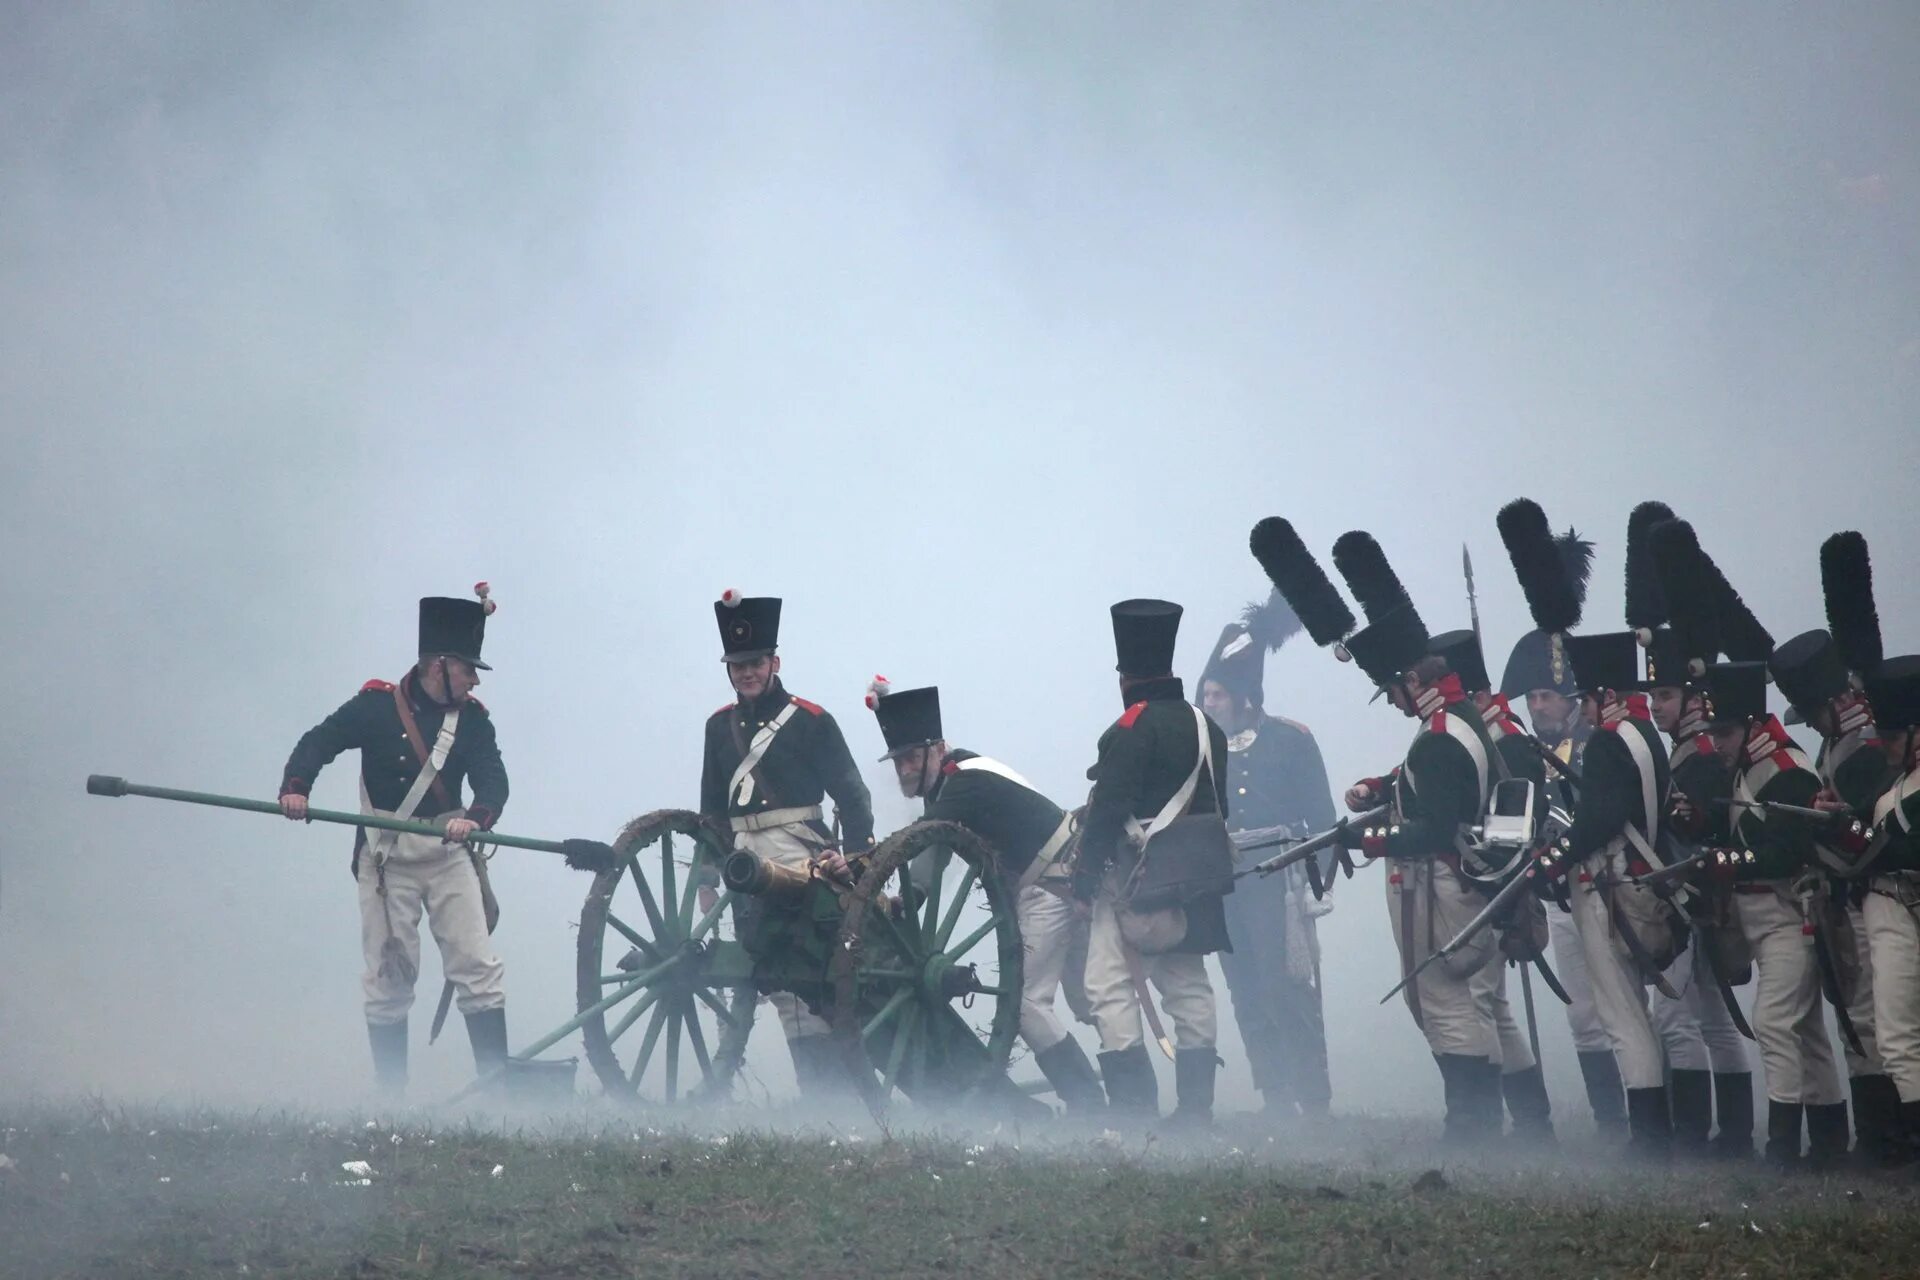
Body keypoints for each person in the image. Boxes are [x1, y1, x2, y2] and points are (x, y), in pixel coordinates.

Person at [279, 589, 510, 1094]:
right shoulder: (375, 706)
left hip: (450, 857)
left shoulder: (472, 720)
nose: (473, 680)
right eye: (468, 669)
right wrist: (297, 789)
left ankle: (498, 1093)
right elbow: (319, 742)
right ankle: (391, 1099)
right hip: (385, 862)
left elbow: (494, 781)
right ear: (440, 665)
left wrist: (475, 819)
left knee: (477, 968)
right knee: (388, 980)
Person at [866, 679, 1106, 1115]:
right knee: (1093, 1001)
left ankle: (1091, 1105)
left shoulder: (962, 784)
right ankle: (1118, 1104)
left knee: (1028, 1004)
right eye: (899, 760)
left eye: (912, 757)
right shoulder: (952, 783)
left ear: (937, 749)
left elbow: (923, 843)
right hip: (1055, 882)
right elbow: (932, 848)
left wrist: (879, 880)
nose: (903, 769)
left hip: (1051, 887)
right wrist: (902, 897)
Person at [699, 590, 875, 1094]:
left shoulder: (810, 720)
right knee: (769, 974)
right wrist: (708, 878)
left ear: (774, 662)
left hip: (800, 852)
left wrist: (857, 862)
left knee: (809, 967)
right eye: (737, 665)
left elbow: (853, 795)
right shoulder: (717, 727)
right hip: (742, 857)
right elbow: (711, 809)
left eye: (754, 662)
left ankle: (834, 1093)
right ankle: (818, 1094)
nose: (746, 673)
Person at [1072, 599, 1230, 1128]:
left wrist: (1083, 879)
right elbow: (1219, 805)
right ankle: (1196, 1112)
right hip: (1199, 876)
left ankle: (1136, 1112)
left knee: (1107, 986)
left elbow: (1108, 812)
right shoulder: (1208, 726)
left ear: (1126, 676)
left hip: (1134, 882)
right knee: (1189, 987)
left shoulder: (1130, 727)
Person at [1627, 500, 1753, 1158]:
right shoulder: (1686, 748)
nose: (1657, 708)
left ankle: (1703, 1138)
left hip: (1697, 898)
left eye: (1666, 698)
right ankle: (1725, 1136)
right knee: (1708, 1019)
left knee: (1682, 1019)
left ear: (1692, 698)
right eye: (1652, 700)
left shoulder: (1699, 753)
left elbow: (1699, 826)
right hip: (1695, 896)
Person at [1195, 593, 1339, 1118]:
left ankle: (1314, 1098)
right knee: (1247, 995)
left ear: (1242, 696)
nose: (1208, 702)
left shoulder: (1290, 740)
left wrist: (1316, 888)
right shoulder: (1205, 749)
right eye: (1206, 693)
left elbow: (1323, 818)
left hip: (1280, 885)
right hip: (1227, 884)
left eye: (1216, 694)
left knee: (1291, 994)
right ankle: (1275, 1096)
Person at [1500, 528, 1622, 1137]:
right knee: (1582, 1017)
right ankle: (1609, 1119)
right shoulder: (1527, 750)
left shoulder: (1599, 743)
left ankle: (1650, 1115)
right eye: (1532, 696)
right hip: (1559, 894)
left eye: (1546, 694)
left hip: (1608, 886)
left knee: (1626, 1009)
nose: (1536, 706)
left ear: (1572, 695)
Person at [1427, 627, 1555, 1142]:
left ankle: (1487, 1124)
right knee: (1492, 1005)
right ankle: (1531, 1121)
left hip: (1492, 883)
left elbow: (1515, 820)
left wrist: (1495, 877)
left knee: (1479, 1002)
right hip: (1485, 880)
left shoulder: (1504, 738)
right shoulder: (1484, 731)